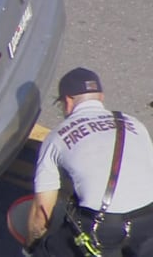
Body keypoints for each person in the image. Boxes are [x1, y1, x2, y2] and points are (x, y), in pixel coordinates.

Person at [26, 67, 153, 256]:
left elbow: (41, 213)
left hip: (101, 225)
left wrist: (31, 246)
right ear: (100, 97)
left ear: (68, 102)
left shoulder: (57, 138)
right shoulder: (134, 123)